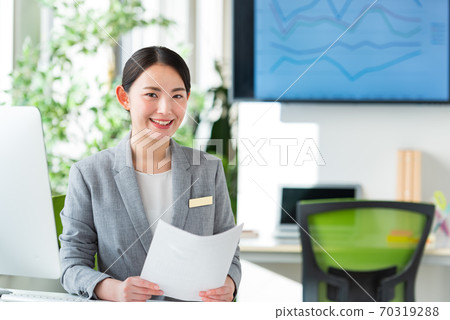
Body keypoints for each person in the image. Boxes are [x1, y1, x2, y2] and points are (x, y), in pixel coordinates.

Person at [59, 46, 241, 302]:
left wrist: (229, 284)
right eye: (152, 94)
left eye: (177, 96)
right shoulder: (89, 174)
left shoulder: (209, 169)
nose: (166, 109)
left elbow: (229, 253)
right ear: (124, 98)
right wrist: (114, 290)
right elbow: (71, 265)